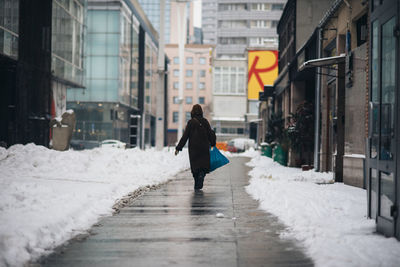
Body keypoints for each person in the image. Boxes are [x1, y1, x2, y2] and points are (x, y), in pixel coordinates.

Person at [175, 104, 216, 190]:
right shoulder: (205, 121)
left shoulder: (191, 122)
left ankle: (197, 182)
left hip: (194, 149)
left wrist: (178, 148)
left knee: (195, 166)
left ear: (192, 112)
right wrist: (212, 143)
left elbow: (185, 136)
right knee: (203, 166)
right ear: (201, 112)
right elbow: (210, 134)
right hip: (204, 148)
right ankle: (201, 175)